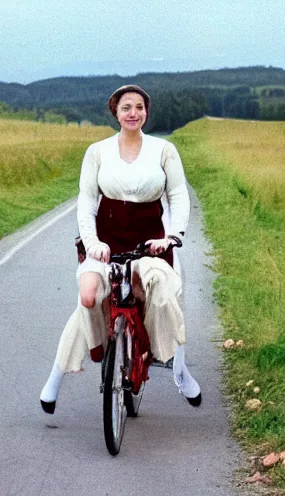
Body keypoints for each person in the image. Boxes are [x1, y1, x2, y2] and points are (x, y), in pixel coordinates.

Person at [40, 84, 201, 414]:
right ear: (115, 112)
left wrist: (172, 236)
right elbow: (86, 203)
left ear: (146, 112)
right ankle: (62, 374)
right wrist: (92, 243)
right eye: (126, 107)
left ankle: (178, 368)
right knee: (88, 297)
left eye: (139, 107)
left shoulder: (164, 150)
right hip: (105, 243)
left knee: (162, 292)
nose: (133, 113)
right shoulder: (97, 152)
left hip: (151, 245)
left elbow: (178, 196)